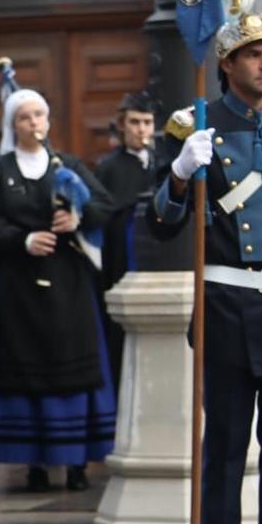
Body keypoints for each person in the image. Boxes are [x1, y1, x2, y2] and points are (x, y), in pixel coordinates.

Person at [151, 0, 262, 524]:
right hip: (229, 307)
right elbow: (160, 222)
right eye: (253, 54)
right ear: (226, 64)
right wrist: (177, 174)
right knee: (225, 450)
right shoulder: (195, 126)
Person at [0, 90, 115, 492]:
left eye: (40, 114)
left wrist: (77, 217)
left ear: (49, 120)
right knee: (23, 364)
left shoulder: (69, 165)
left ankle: (76, 460)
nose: (33, 123)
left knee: (71, 361)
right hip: (16, 281)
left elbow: (105, 206)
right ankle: (35, 461)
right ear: (12, 125)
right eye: (24, 117)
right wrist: (24, 240)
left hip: (66, 279)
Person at [94, 92, 156, 388]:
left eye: (146, 122)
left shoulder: (162, 161)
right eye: (134, 122)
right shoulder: (108, 167)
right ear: (122, 125)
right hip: (121, 258)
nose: (141, 129)